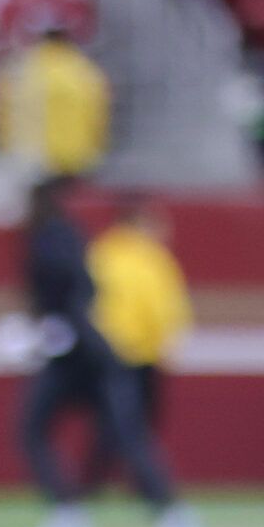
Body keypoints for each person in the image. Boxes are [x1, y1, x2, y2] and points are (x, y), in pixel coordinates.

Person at [18, 177, 196, 527]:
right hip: (124, 360)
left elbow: (79, 298)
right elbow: (166, 315)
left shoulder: (100, 250)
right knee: (128, 439)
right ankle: (162, 517)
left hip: (87, 353)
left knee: (101, 439)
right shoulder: (150, 259)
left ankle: (79, 514)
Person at [84, 192, 191, 479]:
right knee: (133, 428)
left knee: (117, 426)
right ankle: (154, 493)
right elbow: (164, 306)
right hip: (136, 355)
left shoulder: (101, 252)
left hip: (112, 354)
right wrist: (169, 341)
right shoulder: (148, 257)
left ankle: (89, 490)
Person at [0, 27, 110, 178]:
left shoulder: (21, 70)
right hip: (77, 152)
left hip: (31, 152)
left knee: (38, 197)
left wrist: (4, 145)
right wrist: (96, 146)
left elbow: (3, 112)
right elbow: (98, 114)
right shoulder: (85, 71)